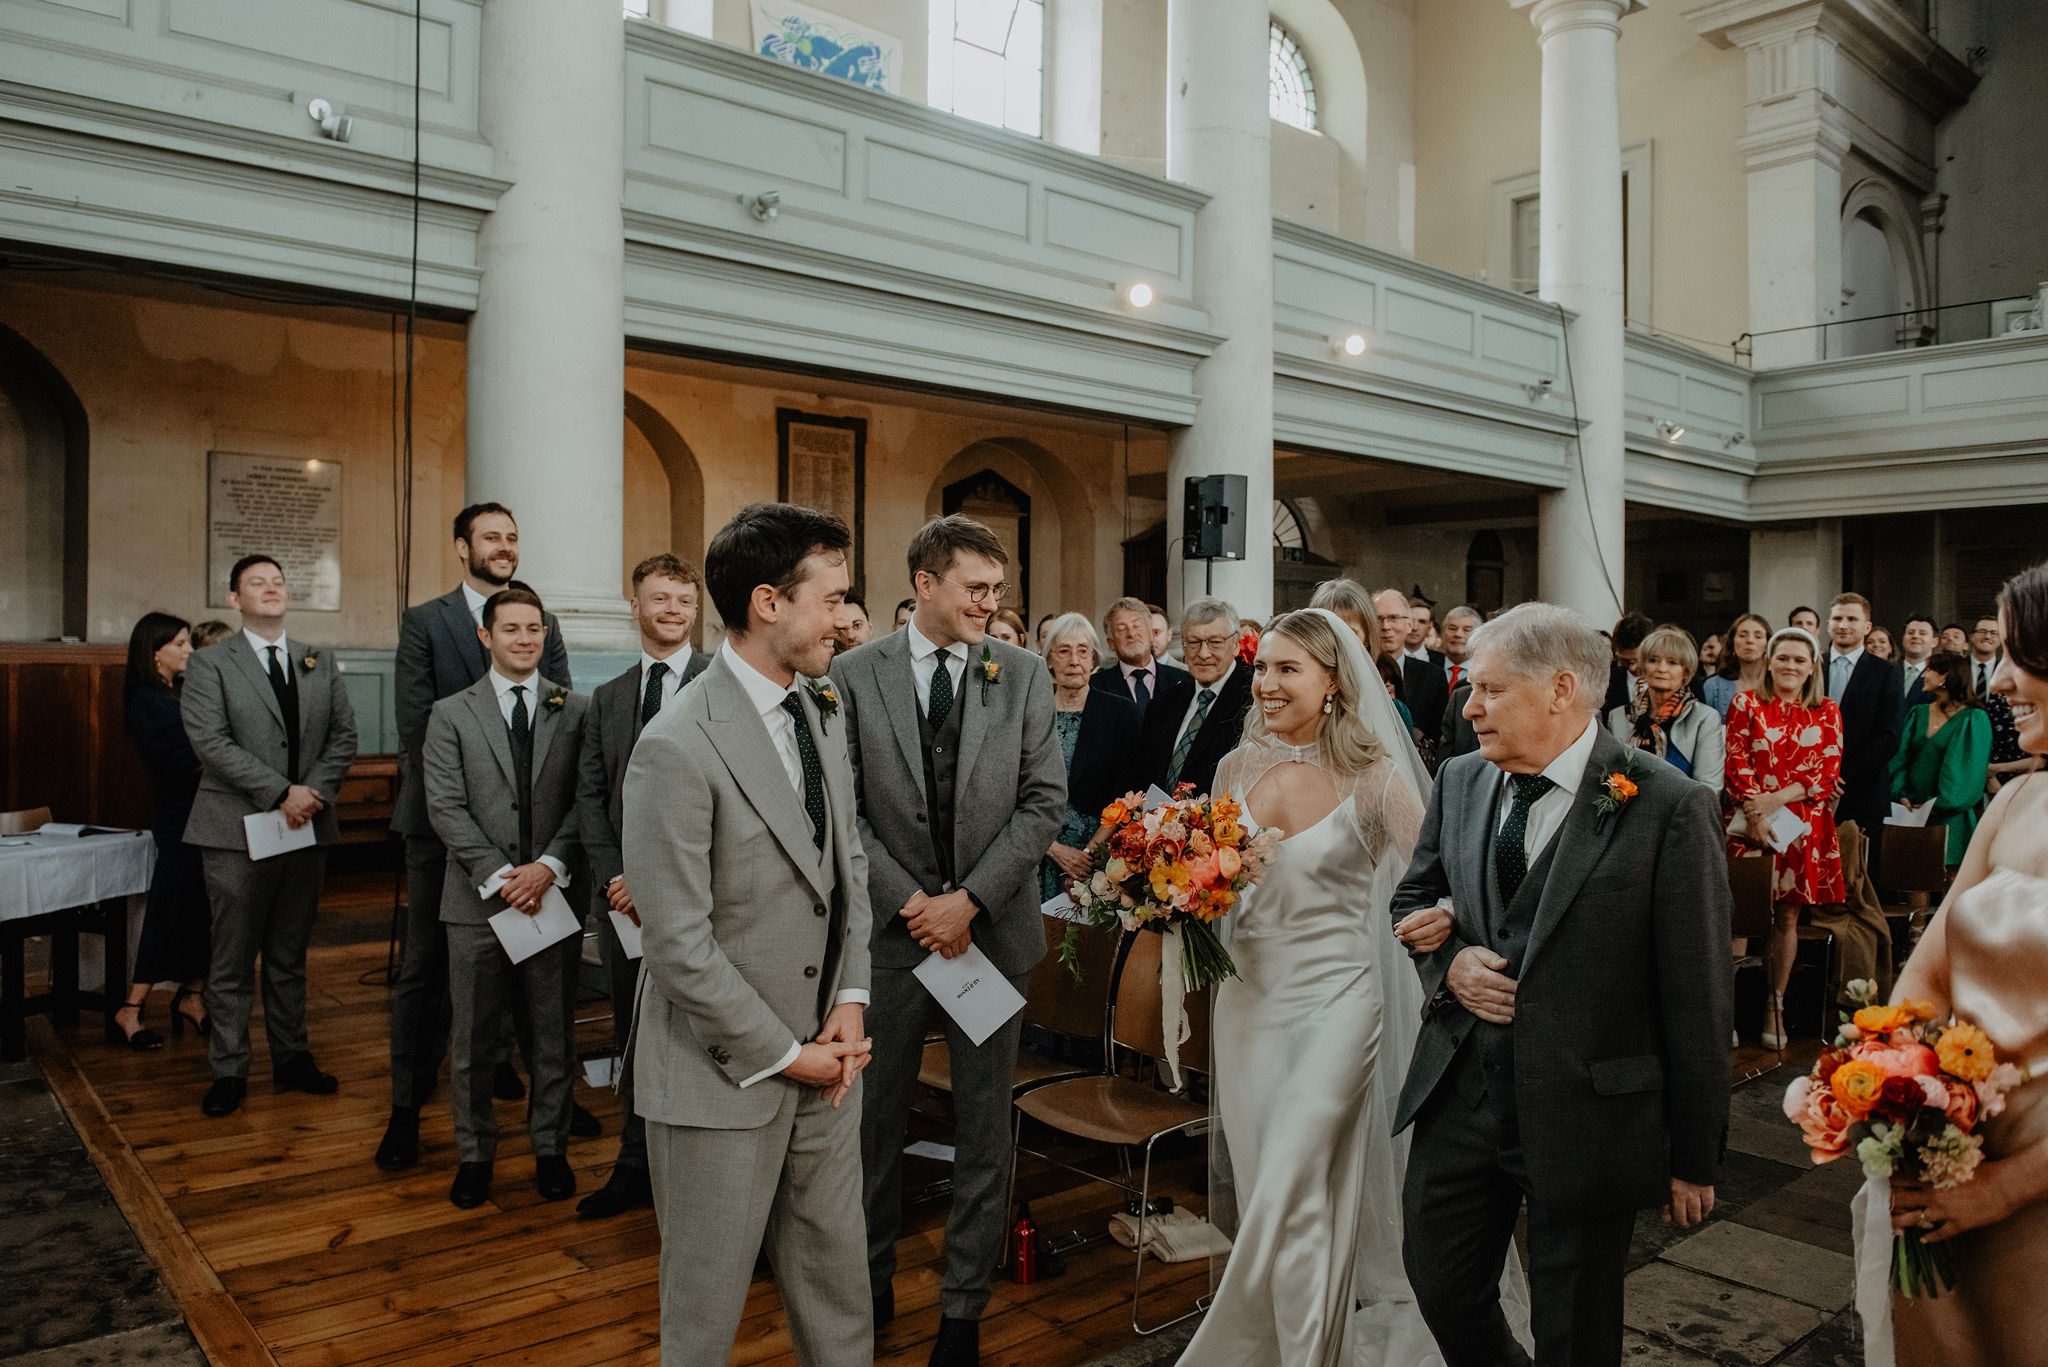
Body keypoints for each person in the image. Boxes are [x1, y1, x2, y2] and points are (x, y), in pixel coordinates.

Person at [1394, 602, 1730, 1367]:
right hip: (1463, 1093)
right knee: (1439, 1279)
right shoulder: (1460, 779)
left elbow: (1699, 991)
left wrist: (1695, 1153)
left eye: (1489, 689)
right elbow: (1414, 899)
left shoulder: (1668, 804)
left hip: (1590, 1111)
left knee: (1576, 1330)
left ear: (1560, 688)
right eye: (1469, 688)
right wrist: (1448, 963)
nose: (1469, 706)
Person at [1179, 608, 1496, 1365]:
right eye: (1263, 669)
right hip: (1248, 1002)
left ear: (1332, 682)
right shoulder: (1233, 772)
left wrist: (1443, 917)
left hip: (1338, 1007)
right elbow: (1203, 884)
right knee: (1271, 1195)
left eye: (1288, 669)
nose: (1267, 684)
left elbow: (1442, 875)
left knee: (1299, 1186)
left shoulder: (1376, 776)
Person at [624, 503, 874, 1367]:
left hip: (830, 1070)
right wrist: (785, 1052)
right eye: (833, 598)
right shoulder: (675, 745)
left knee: (840, 1299)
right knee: (702, 1319)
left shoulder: (825, 707)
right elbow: (678, 947)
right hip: (718, 1076)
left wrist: (850, 997)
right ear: (768, 602)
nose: (847, 618)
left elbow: (849, 870)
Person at [830, 515, 1064, 1367]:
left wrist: (967, 901)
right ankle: (870, 1273)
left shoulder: (1025, 673)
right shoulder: (854, 674)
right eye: (975, 587)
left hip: (989, 936)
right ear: (925, 584)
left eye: (998, 591)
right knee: (872, 1121)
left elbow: (1043, 802)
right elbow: (842, 806)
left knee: (981, 1124)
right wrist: (913, 903)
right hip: (891, 943)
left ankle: (963, 1305)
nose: (990, 603)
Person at [1875, 561, 2048, 1367]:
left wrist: (2005, 1189)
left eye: (2021, 656)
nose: (2002, 679)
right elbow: (1931, 964)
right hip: (1955, 1151)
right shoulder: (2016, 802)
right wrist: (1882, 1082)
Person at [378, 502, 578, 1171]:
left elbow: (566, 739)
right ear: (462, 545)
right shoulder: (428, 622)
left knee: (543, 1003)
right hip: (449, 832)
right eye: (491, 536)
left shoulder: (537, 624)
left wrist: (540, 860)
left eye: (513, 536)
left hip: (541, 847)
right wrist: (490, 855)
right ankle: (407, 1107)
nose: (504, 545)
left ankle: (541, 1116)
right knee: (430, 977)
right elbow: (416, 726)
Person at [422, 587, 589, 1208]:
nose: (525, 639)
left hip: (551, 894)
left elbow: (584, 801)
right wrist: (500, 874)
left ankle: (550, 1146)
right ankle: (475, 1154)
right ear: (485, 637)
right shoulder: (451, 713)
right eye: (511, 629)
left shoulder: (576, 709)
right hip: (476, 902)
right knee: (471, 1040)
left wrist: (546, 867)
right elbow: (444, 804)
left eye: (535, 629)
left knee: (551, 1034)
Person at [181, 555, 358, 1117]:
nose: (271, 589)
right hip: (237, 828)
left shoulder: (317, 659)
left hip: (305, 828)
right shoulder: (210, 665)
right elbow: (211, 743)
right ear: (234, 600)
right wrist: (282, 792)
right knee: (232, 959)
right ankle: (229, 1069)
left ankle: (293, 1057)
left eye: (279, 582)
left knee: (288, 953)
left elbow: (343, 735)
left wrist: (313, 792)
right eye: (257, 583)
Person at [573, 554, 712, 1220]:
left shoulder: (724, 685)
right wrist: (616, 876)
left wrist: (665, 877)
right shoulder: (609, 697)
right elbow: (592, 796)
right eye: (660, 598)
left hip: (706, 898)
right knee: (633, 1029)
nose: (674, 609)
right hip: (626, 901)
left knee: (701, 1029)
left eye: (685, 600)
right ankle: (634, 1163)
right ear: (636, 606)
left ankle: (697, 1174)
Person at [1724, 627, 1843, 1050]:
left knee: (1787, 919)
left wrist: (1773, 800)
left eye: (1799, 660)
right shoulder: (1746, 702)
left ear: (1812, 668)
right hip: (1748, 822)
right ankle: (1728, 1009)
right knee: (1741, 916)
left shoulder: (1827, 710)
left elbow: (1824, 773)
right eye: (1783, 658)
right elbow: (1737, 760)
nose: (1790, 666)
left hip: (1802, 829)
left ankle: (1774, 1005)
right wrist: (1755, 812)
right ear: (1769, 662)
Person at [118, 613, 212, 1049]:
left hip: (202, 811)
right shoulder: (148, 700)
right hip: (180, 815)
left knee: (203, 906)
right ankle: (131, 1008)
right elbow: (186, 756)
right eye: (180, 643)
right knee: (171, 905)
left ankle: (192, 996)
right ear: (155, 652)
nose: (189, 650)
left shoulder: (174, 693)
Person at [1037, 613, 1141, 901]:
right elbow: (1007, 791)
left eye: (1083, 651)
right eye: (1063, 651)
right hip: (1034, 853)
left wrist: (1087, 858)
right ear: (1048, 660)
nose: (1074, 660)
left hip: (1096, 862)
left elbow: (1127, 795)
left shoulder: (1121, 714)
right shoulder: (1028, 713)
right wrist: (1053, 849)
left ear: (1094, 660)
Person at [1137, 596, 1255, 801]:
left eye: (1215, 643)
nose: (1203, 653)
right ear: (1183, 645)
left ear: (1236, 645)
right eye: (1194, 642)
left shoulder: (1254, 702)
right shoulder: (1162, 705)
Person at [1827, 592, 1905, 889]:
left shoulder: (1885, 673)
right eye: (1837, 618)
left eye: (1851, 619)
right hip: (1806, 789)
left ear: (1867, 626)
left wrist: (1840, 774)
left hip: (1861, 790)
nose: (1843, 625)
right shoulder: (1809, 666)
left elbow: (1889, 736)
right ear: (1828, 623)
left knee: (1857, 883)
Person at [1891, 650, 1993, 866]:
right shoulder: (1918, 712)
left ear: (1945, 677)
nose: (1923, 675)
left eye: (1930, 670)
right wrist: (1901, 793)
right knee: (1913, 883)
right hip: (1911, 814)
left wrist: (1937, 804)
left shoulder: (1974, 718)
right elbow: (1900, 758)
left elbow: (1968, 773)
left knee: (1949, 883)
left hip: (1951, 819)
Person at [1605, 626, 1724, 791]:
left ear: (1686, 671)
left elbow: (1708, 788)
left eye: (1672, 662)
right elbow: (1610, 779)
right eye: (1653, 660)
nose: (1662, 669)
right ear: (1643, 667)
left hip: (1683, 813)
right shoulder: (1618, 716)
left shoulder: (1704, 718)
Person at [1375, 587, 1450, 756]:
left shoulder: (1433, 676)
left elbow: (1440, 736)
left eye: (1394, 618)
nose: (1386, 626)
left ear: (1409, 625)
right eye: (1379, 619)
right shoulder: (1355, 672)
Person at [1090, 595, 1189, 715]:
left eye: (1137, 626)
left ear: (1151, 635)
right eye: (1121, 629)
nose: (1131, 634)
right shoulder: (1095, 687)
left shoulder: (1183, 681)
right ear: (1111, 643)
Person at [1703, 612, 1771, 718]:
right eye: (1742, 635)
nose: (1750, 641)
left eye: (1758, 636)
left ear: (1768, 644)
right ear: (1732, 643)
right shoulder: (1713, 686)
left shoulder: (1778, 684)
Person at [1603, 610, 1655, 714]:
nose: (1632, 668)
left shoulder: (1677, 680)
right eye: (1625, 661)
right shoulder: (1608, 681)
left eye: (1637, 660)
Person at [1898, 615, 1938, 708]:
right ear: (1903, 639)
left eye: (1922, 633)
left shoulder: (1940, 674)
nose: (1915, 636)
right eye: (1911, 633)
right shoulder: (1888, 670)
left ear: (1934, 642)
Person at [1440, 605, 1481, 691]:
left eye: (1466, 630)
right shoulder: (1429, 668)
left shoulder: (1483, 673)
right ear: (1443, 632)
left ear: (1478, 636)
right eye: (1452, 629)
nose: (1458, 634)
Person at [1147, 603, 1180, 667]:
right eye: (1146, 633)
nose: (1151, 639)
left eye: (1156, 632)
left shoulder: (1187, 673)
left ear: (1169, 635)